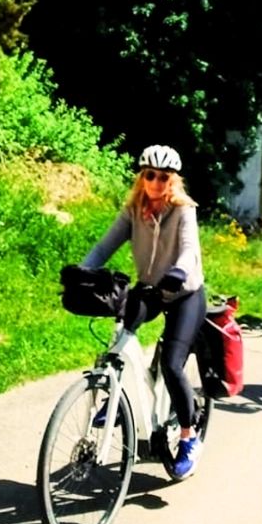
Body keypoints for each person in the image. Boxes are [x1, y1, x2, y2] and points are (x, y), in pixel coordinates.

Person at [79, 145, 206, 479]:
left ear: (172, 181)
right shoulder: (134, 210)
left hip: (184, 293)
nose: (155, 182)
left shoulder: (184, 210)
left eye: (163, 177)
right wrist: (83, 271)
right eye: (149, 175)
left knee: (171, 363)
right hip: (151, 289)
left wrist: (179, 271)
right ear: (142, 177)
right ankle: (115, 395)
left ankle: (189, 437)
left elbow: (190, 249)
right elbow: (105, 247)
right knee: (121, 329)